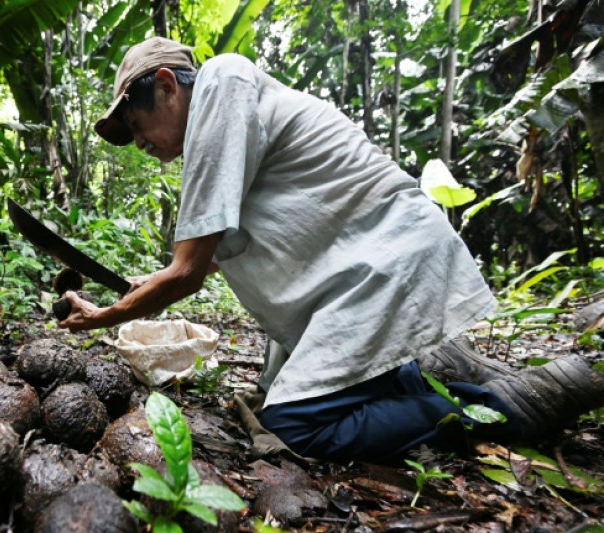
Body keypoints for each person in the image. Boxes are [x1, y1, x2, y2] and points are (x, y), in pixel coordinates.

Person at [59, 36, 604, 462]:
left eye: (136, 124)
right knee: (336, 390)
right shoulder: (226, 129)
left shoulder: (222, 83)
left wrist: (114, 314)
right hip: (368, 274)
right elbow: (218, 255)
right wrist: (147, 286)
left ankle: (505, 407)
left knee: (296, 423)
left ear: (168, 85)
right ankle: (451, 383)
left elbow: (186, 273)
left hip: (385, 263)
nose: (143, 146)